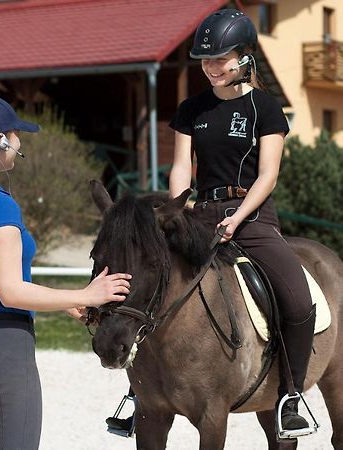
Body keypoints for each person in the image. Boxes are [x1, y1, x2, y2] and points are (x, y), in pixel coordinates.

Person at [106, 9, 316, 439]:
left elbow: (268, 175)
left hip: (252, 215)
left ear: (244, 58)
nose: (211, 67)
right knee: (151, 279)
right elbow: (182, 166)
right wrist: (176, 209)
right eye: (205, 59)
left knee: (296, 297)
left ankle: (291, 395)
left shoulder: (265, 107)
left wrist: (239, 217)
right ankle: (140, 390)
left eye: (220, 59)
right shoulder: (191, 109)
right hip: (198, 215)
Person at [0, 94, 132, 450]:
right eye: (16, 134)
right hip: (3, 349)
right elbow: (10, 292)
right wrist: (87, 295)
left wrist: (61, 302)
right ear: (0, 141)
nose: (20, 142)